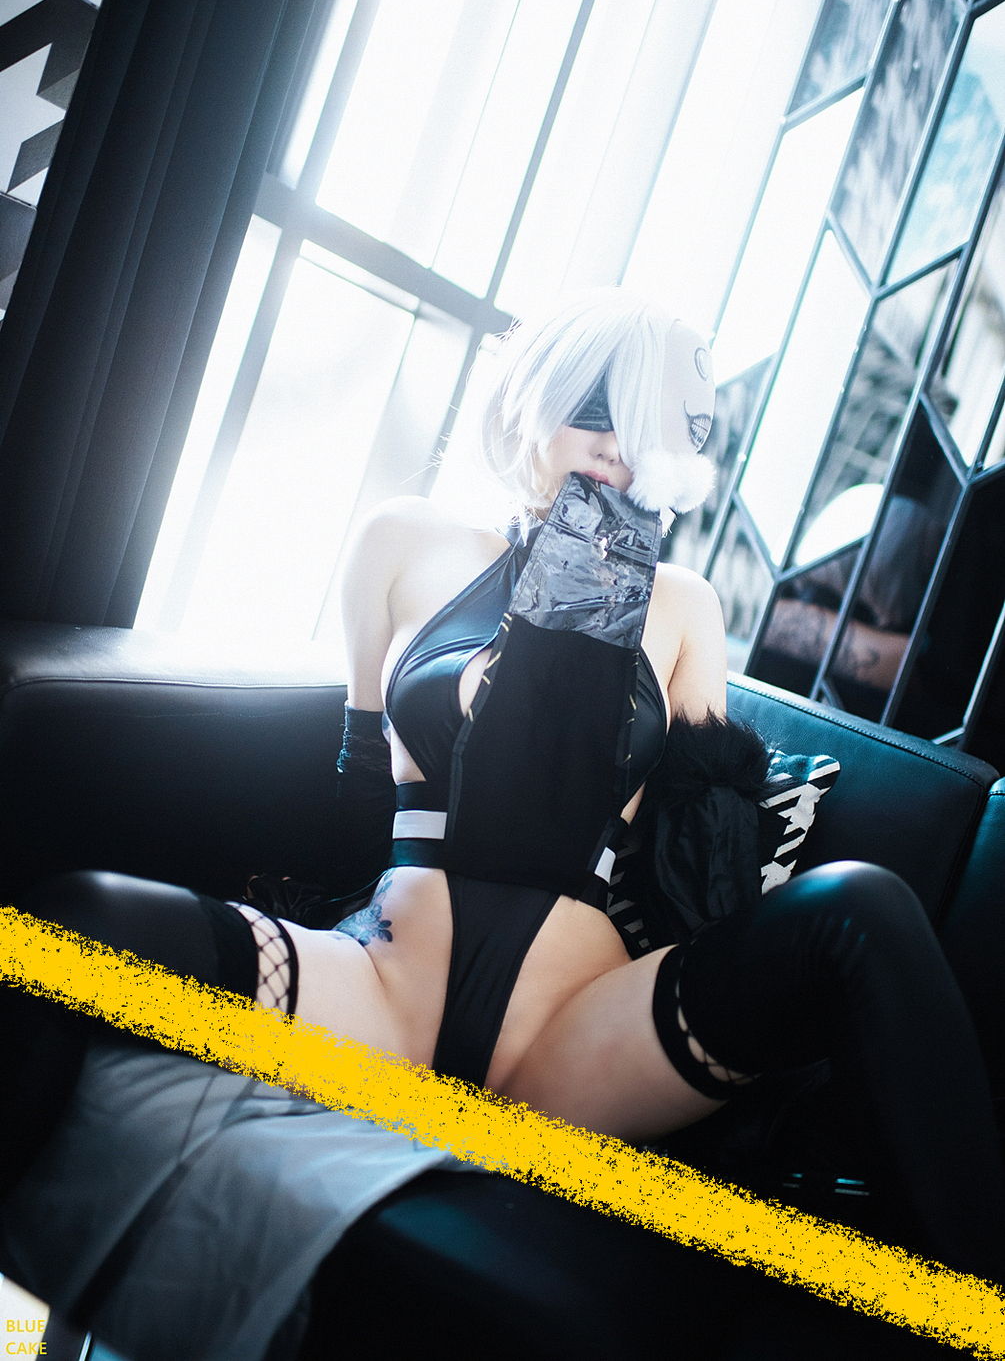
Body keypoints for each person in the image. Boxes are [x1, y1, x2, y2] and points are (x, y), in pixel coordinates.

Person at [4, 290, 1005, 1353]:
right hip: (383, 1002)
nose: (620, 449)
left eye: (652, 430)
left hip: (571, 1046)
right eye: (598, 412)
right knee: (77, 921)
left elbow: (700, 884)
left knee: (860, 906)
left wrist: (621, 648)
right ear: (533, 399)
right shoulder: (404, 541)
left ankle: (982, 1312)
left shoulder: (681, 604)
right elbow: (355, 793)